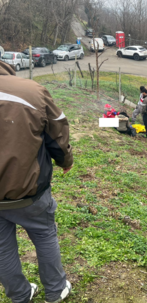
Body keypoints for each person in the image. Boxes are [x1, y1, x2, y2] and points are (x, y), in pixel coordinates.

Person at [0, 61, 73, 303]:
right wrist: (65, 161)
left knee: (2, 248)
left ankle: (20, 296)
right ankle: (55, 290)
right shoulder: (32, 91)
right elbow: (57, 133)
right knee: (44, 234)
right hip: (28, 190)